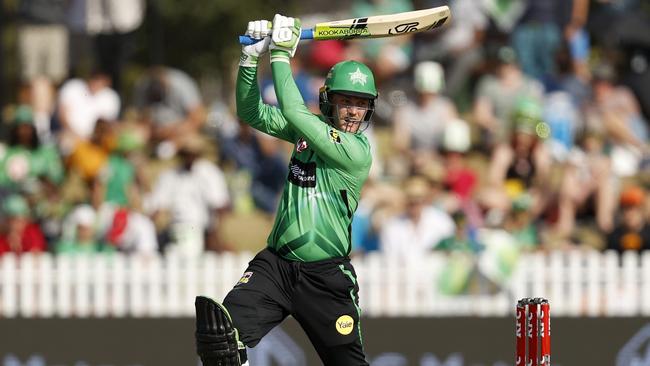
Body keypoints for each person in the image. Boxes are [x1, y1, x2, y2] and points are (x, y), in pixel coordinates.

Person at [195, 15, 377, 366]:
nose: (354, 111)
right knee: (220, 343)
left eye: (361, 103)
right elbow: (250, 112)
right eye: (346, 101)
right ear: (329, 100)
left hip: (325, 277)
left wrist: (279, 53)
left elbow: (293, 109)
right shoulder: (307, 132)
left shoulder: (356, 151)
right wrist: (251, 58)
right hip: (276, 268)